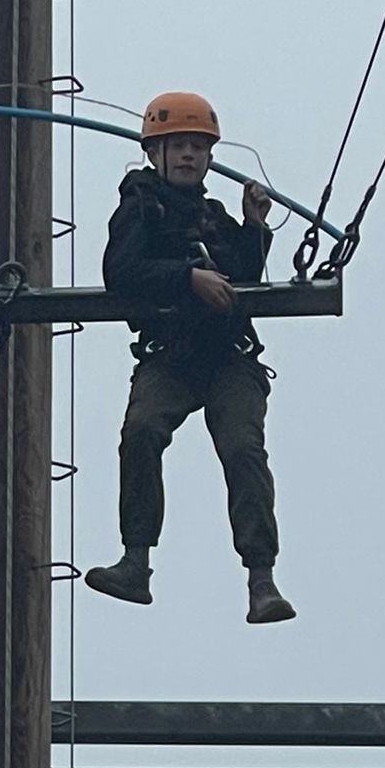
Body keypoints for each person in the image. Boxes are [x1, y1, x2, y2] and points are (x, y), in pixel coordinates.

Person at [85, 91, 295, 623]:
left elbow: (244, 278)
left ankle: (261, 578)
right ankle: (136, 562)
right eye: (177, 146)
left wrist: (253, 226)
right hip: (170, 357)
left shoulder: (215, 218)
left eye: (197, 147)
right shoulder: (139, 210)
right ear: (154, 152)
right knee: (142, 433)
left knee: (243, 447)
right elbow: (122, 272)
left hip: (227, 356)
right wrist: (186, 278)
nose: (187, 156)